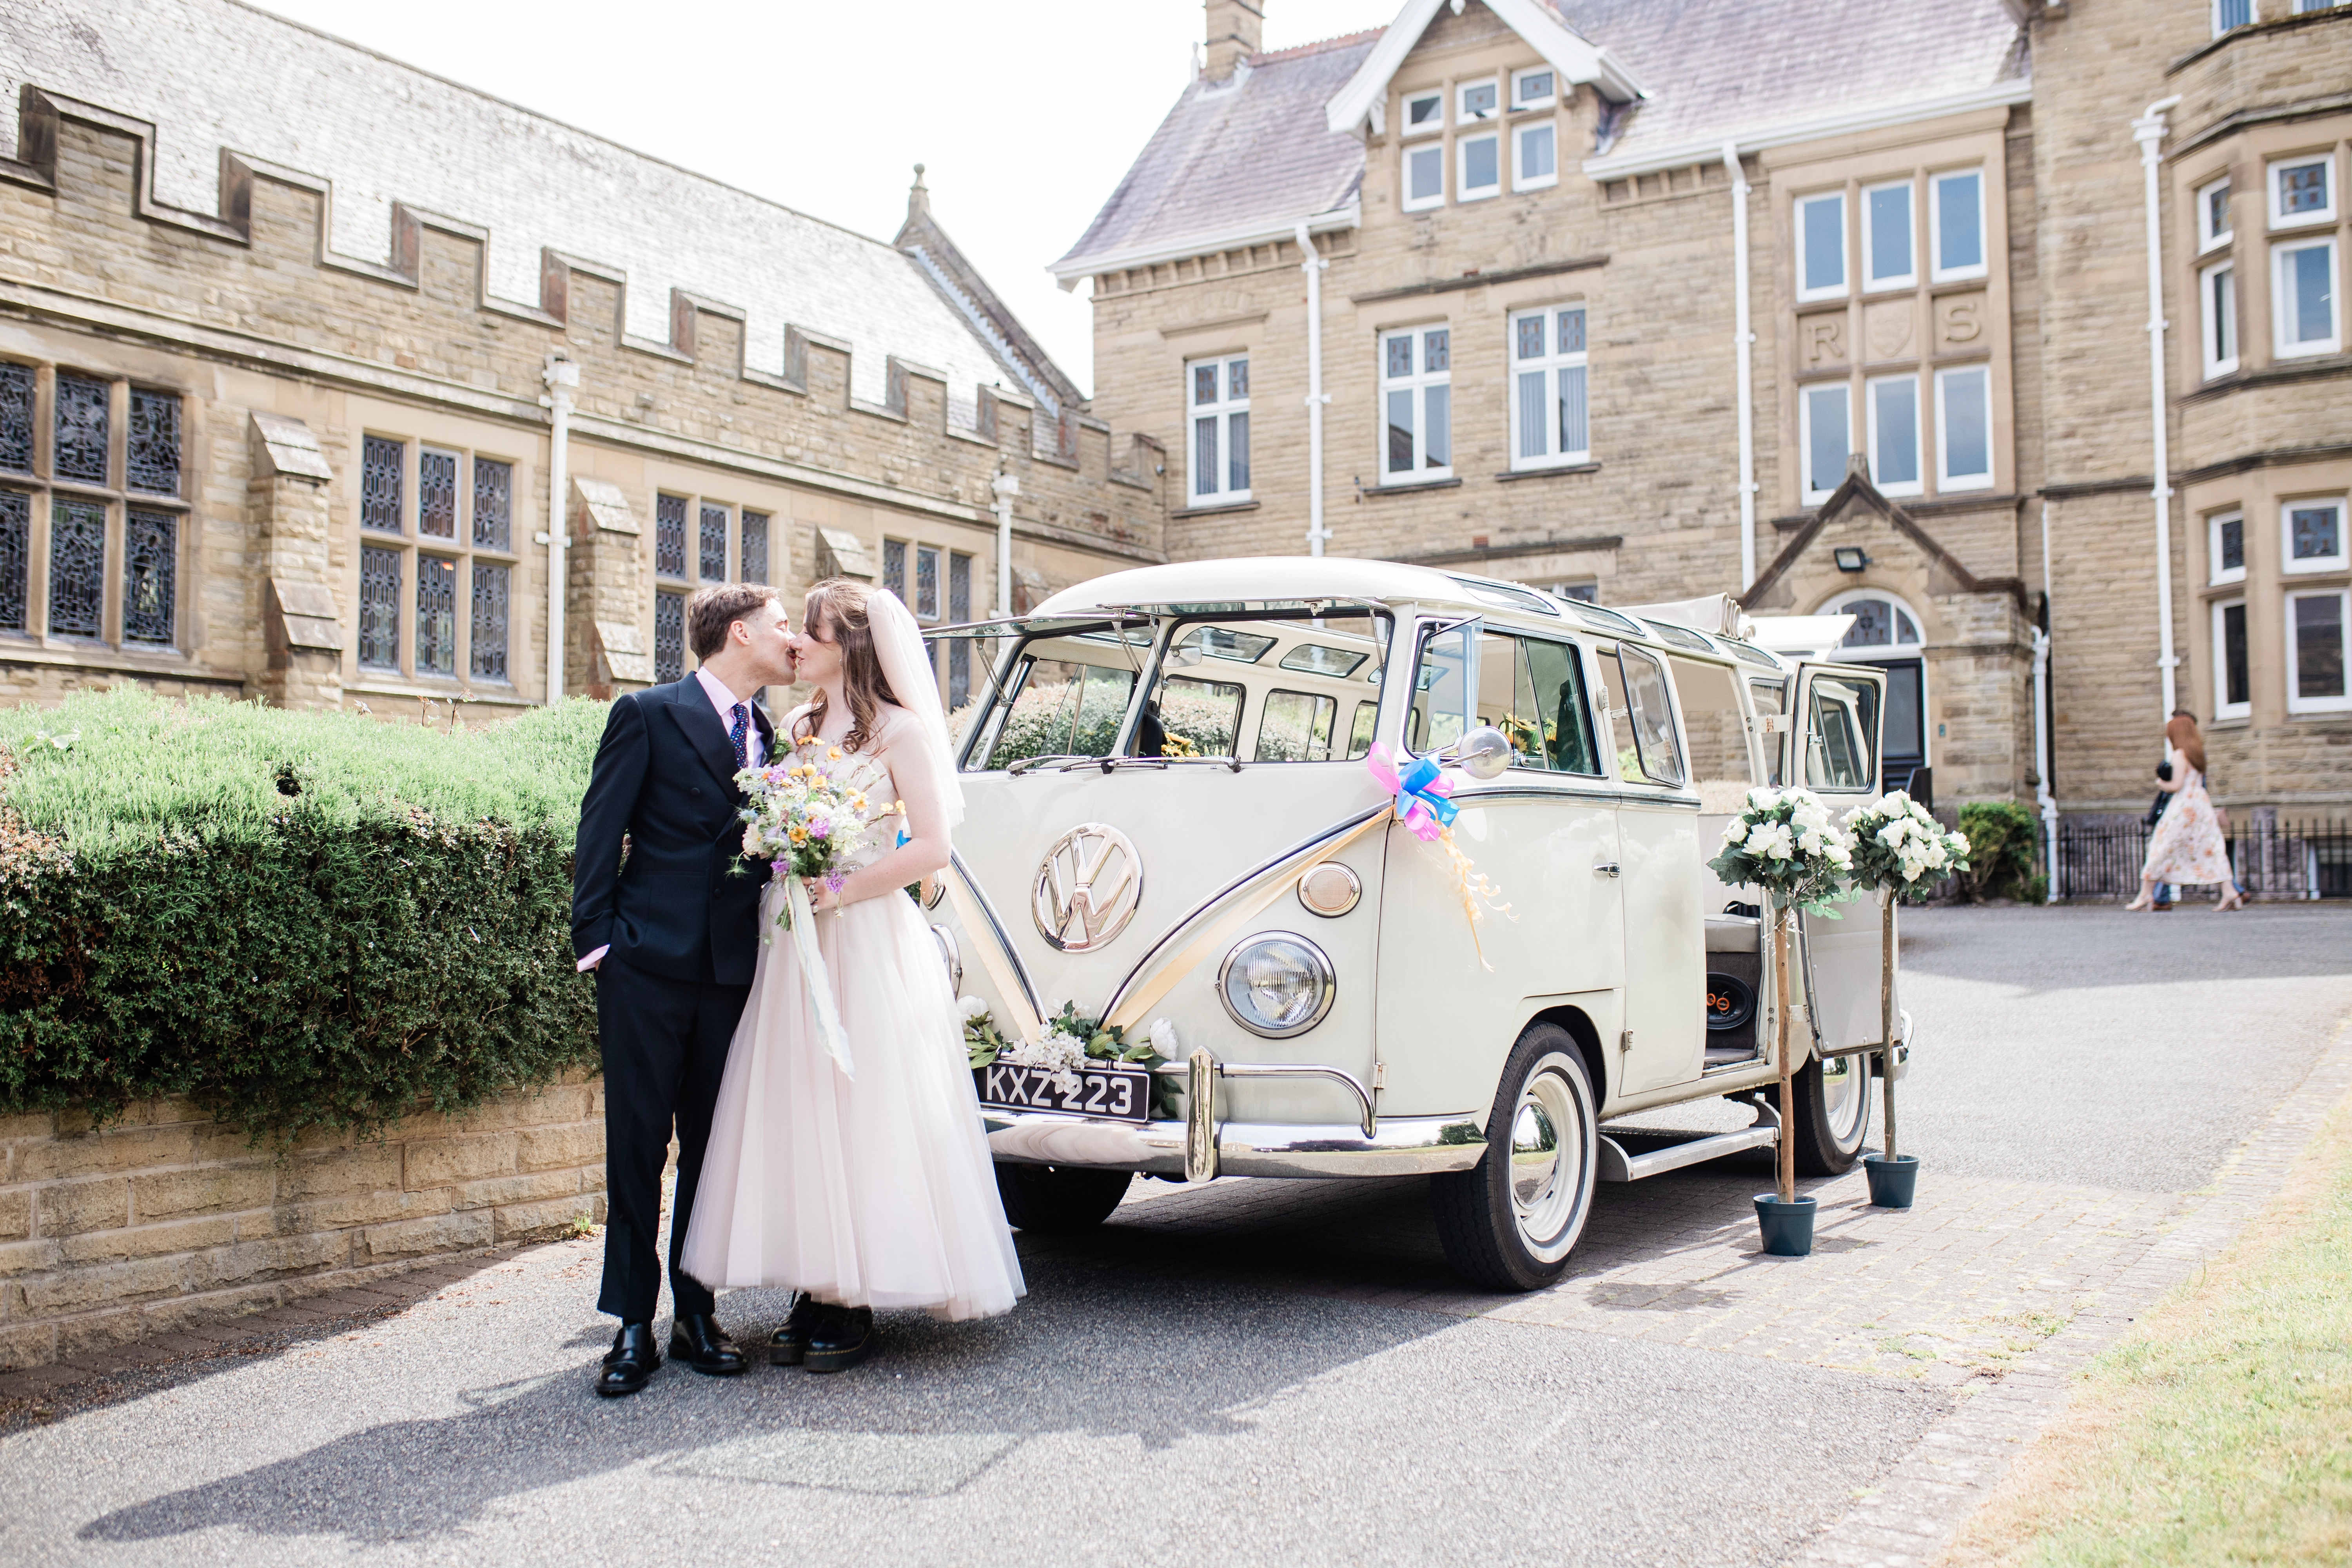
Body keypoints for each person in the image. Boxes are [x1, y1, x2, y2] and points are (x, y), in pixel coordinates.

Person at [681, 579, 1023, 1373]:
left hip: (863, 932)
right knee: (798, 1101)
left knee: (865, 1101)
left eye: (812, 629)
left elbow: (932, 845)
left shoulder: (901, 732)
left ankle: (855, 1291)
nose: (796, 640)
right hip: (792, 934)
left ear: (852, 645)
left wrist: (841, 887)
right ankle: (815, 1277)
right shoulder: (796, 725)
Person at [570, 583, 797, 1397]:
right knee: (635, 1145)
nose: (793, 636)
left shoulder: (767, 731)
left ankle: (695, 1310)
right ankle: (633, 1320)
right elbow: (599, 830)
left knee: (712, 1148)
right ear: (740, 633)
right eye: (781, 625)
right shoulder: (649, 713)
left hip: (731, 971)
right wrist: (598, 943)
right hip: (646, 966)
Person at [2126, 711, 2245, 913]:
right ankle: (2229, 891)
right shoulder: (2198, 754)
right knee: (2210, 848)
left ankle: (2146, 894)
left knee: (2161, 846)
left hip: (2184, 806)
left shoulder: (2180, 755)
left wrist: (2160, 783)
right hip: (2201, 804)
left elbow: (2176, 785)